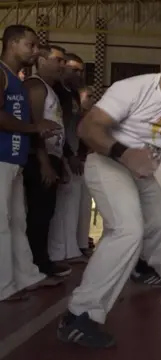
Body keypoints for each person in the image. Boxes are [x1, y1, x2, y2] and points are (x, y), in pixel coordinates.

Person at [56, 40, 161, 348]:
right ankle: (78, 317)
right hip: (109, 162)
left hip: (140, 172)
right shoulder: (134, 88)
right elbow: (88, 128)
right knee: (128, 230)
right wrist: (125, 154)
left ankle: (140, 267)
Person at [0, 24, 61, 302]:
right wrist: (34, 128)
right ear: (12, 43)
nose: (35, 52)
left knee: (17, 222)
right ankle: (3, 286)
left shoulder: (17, 78)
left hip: (15, 159)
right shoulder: (0, 73)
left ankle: (26, 276)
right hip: (1, 158)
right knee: (1, 223)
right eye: (31, 45)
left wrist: (32, 131)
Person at [23, 44, 72, 278]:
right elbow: (34, 126)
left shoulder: (52, 90)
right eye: (58, 60)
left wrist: (59, 160)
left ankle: (42, 261)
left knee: (46, 212)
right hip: (37, 158)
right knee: (39, 213)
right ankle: (38, 265)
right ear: (41, 61)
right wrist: (44, 162)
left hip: (52, 156)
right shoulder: (36, 86)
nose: (62, 65)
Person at [48, 52, 92, 263]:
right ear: (63, 68)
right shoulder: (57, 93)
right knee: (65, 205)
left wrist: (81, 153)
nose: (79, 74)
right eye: (74, 69)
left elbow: (82, 127)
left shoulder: (75, 95)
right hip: (63, 154)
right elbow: (60, 129)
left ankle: (77, 245)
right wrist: (69, 156)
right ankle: (63, 252)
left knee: (79, 203)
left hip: (76, 155)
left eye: (81, 71)